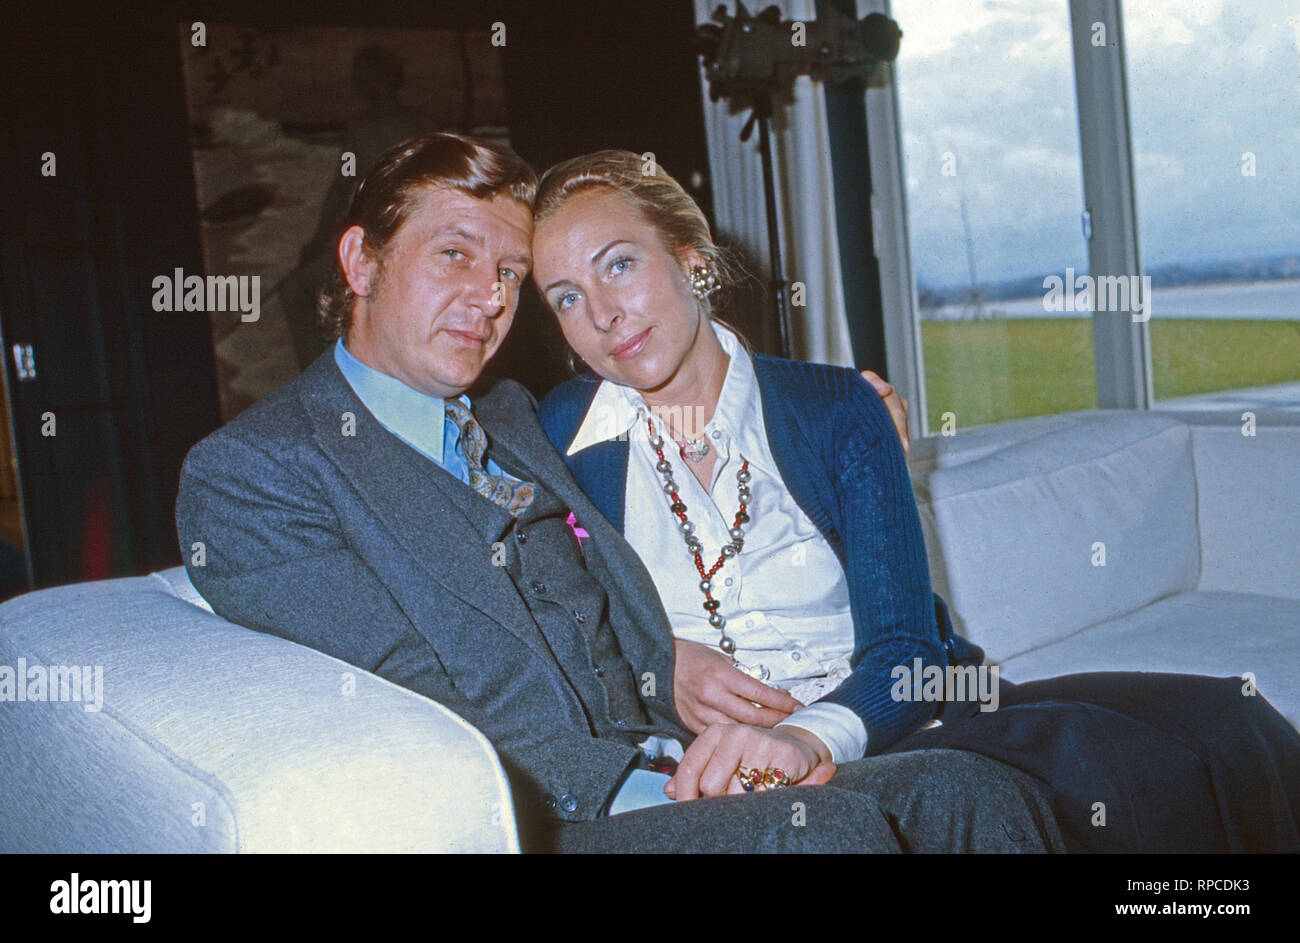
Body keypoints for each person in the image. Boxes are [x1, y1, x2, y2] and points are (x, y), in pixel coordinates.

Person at [175, 131, 1068, 853]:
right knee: (822, 832)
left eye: (509, 277)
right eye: (453, 254)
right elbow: (411, 702)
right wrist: (659, 784)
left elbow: (619, 556)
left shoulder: (518, 419)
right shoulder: (259, 472)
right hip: (541, 813)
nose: (485, 298)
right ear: (360, 262)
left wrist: (847, 422)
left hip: (666, 761)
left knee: (973, 794)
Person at [531, 149, 1300, 851]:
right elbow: (518, 610)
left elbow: (906, 653)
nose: (601, 315)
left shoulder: (836, 409)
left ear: (691, 262)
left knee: (1221, 733)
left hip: (879, 727)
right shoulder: (557, 436)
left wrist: (809, 738)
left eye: (619, 265)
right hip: (700, 776)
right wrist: (653, 660)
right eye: (566, 298)